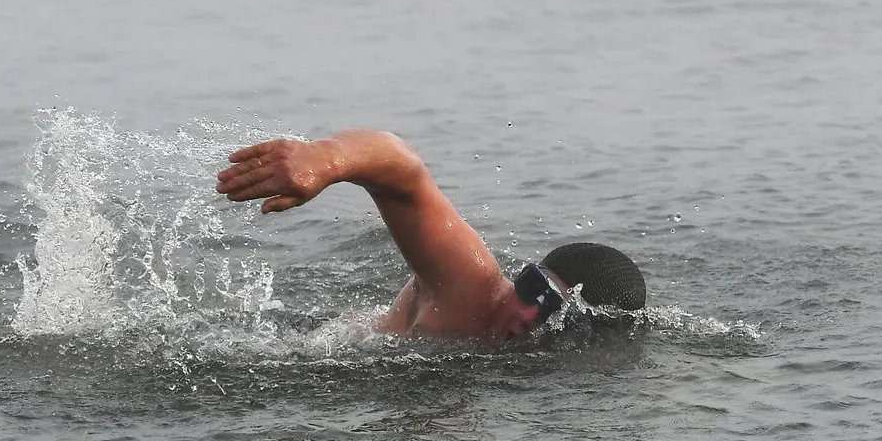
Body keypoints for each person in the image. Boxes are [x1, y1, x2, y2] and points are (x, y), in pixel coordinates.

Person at [216, 129, 646, 339]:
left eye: (552, 311)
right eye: (536, 290)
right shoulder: (473, 290)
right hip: (307, 341)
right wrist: (325, 159)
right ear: (522, 275)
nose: (530, 315)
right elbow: (404, 172)